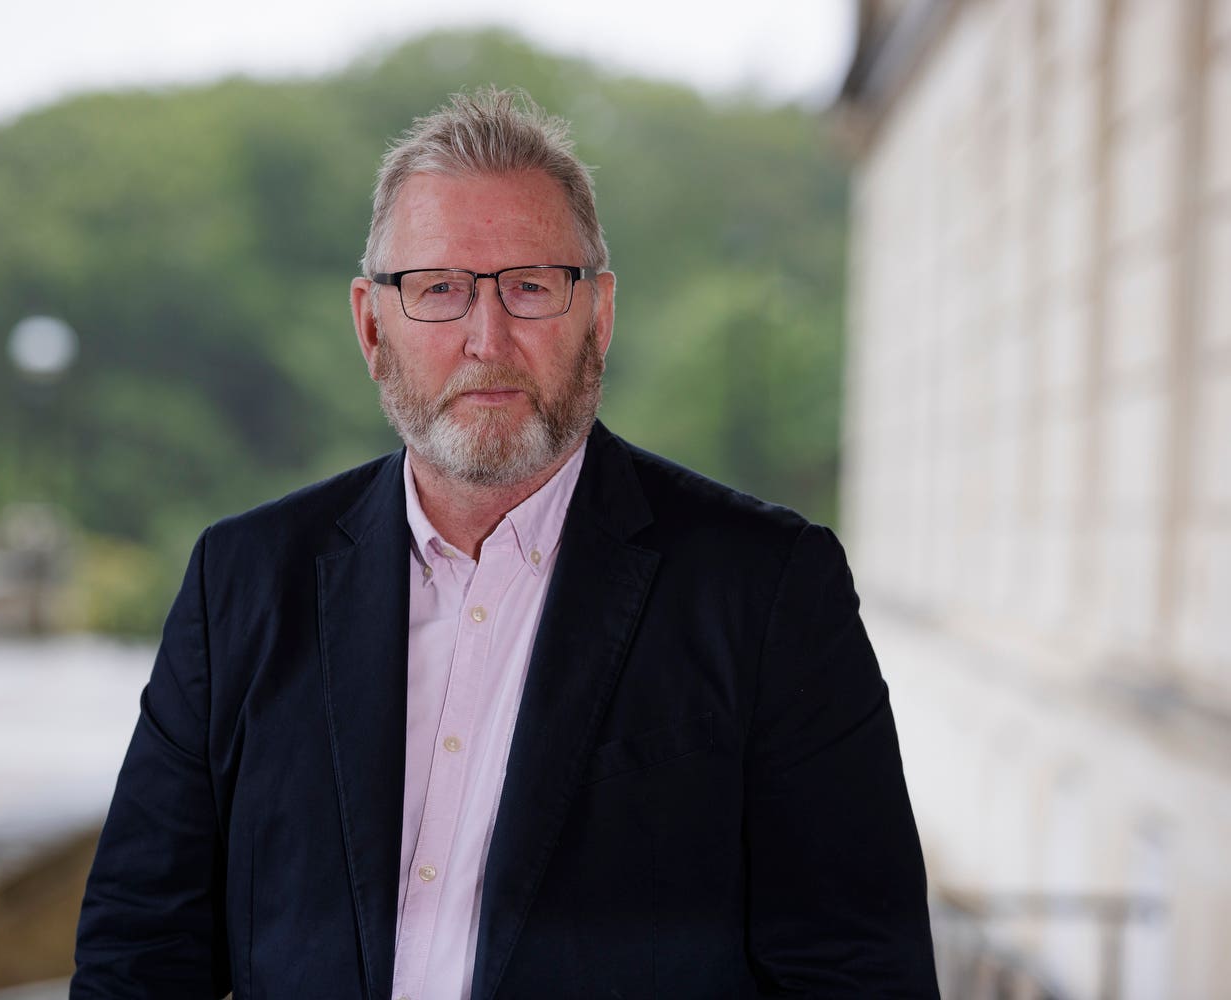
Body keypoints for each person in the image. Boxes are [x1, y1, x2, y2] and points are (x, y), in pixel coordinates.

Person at [73, 89, 939, 999]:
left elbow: (859, 974)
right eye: (440, 289)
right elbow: (139, 953)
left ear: (598, 317)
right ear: (372, 327)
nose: (488, 340)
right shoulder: (241, 582)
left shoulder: (765, 591)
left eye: (530, 287)